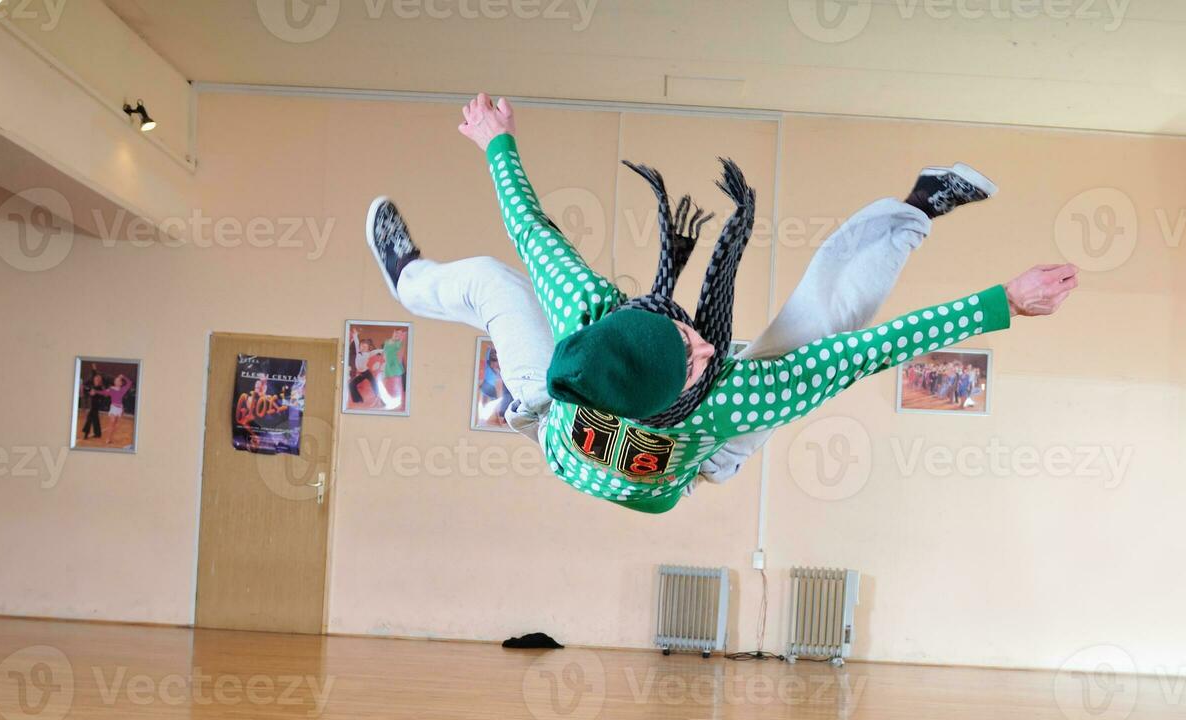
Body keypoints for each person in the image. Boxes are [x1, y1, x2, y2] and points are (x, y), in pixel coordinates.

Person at [367, 94, 1078, 513]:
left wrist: (497, 140)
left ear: (633, 314)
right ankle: (920, 204)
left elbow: (532, 228)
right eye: (694, 359)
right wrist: (1003, 303)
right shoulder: (738, 394)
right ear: (677, 392)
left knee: (499, 276)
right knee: (826, 332)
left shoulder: (590, 312)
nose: (712, 347)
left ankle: (408, 280)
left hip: (549, 403)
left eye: (685, 334)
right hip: (709, 448)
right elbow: (867, 353)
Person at [101, 373, 133, 446]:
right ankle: (108, 438)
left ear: (121, 383)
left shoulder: (123, 389)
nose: (116, 381)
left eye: (118, 380)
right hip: (113, 408)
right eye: (115, 380)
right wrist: (101, 392)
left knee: (114, 424)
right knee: (111, 423)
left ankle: (109, 438)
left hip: (120, 408)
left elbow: (129, 382)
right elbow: (104, 393)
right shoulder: (111, 388)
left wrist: (123, 376)